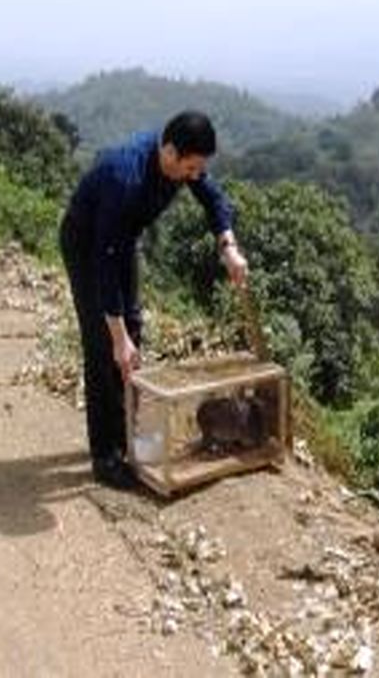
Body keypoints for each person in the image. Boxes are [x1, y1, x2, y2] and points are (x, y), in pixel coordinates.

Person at [59, 111, 248, 488]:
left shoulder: (182, 162)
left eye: (199, 167)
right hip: (87, 245)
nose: (195, 175)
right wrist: (116, 337)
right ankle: (106, 457)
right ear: (170, 152)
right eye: (191, 167)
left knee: (133, 333)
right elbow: (104, 263)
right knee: (103, 346)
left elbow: (212, 198)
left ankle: (125, 434)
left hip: (121, 242)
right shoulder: (124, 177)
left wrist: (228, 246)